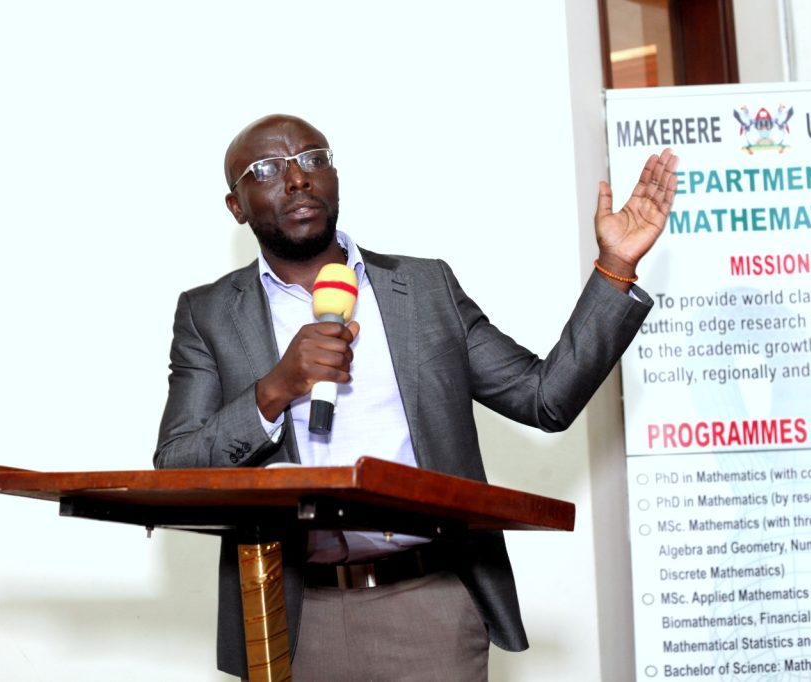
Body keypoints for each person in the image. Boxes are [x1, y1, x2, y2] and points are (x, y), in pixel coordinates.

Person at [154, 114, 678, 680]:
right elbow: (177, 464)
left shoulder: (425, 289)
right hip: (293, 613)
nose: (298, 179)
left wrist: (616, 267)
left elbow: (543, 398)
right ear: (235, 205)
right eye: (267, 170)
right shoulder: (207, 314)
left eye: (313, 159)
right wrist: (274, 391)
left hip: (428, 602)